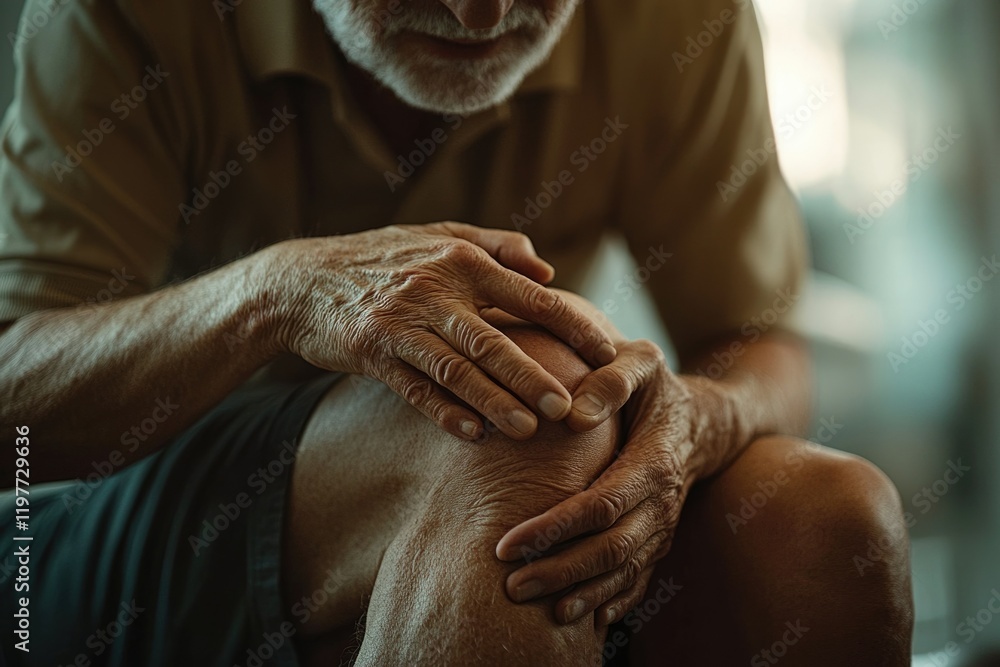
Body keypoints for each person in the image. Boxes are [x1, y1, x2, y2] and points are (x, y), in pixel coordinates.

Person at [0, 0, 913, 665]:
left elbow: (757, 341)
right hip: (76, 535)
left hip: (456, 509)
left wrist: (699, 420)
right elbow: (16, 413)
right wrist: (279, 293)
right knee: (531, 418)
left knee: (830, 534)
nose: (480, 13)